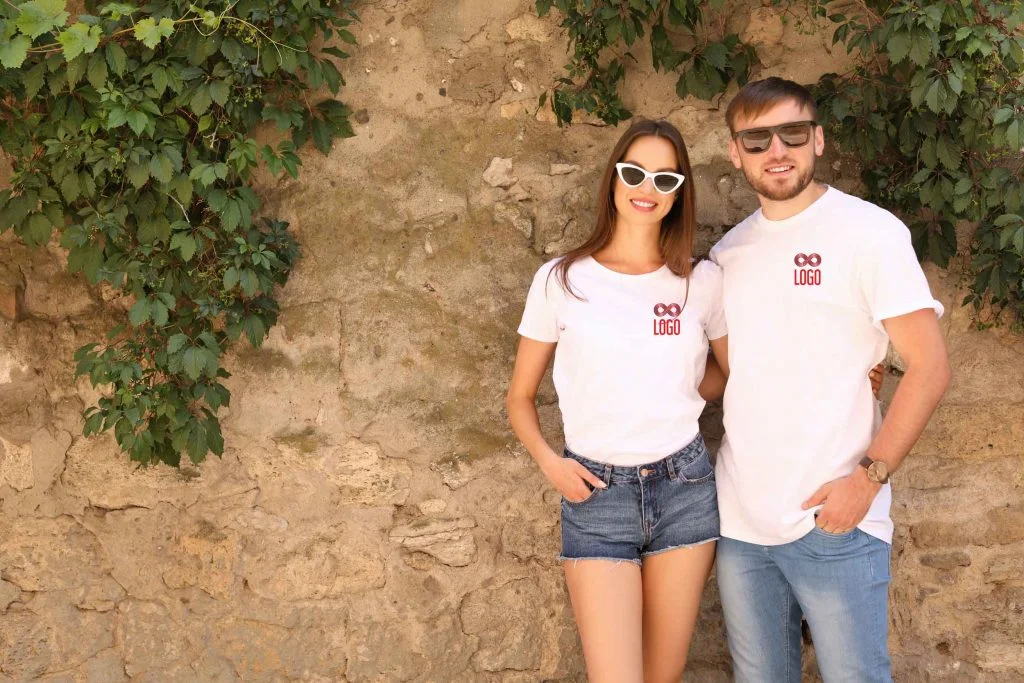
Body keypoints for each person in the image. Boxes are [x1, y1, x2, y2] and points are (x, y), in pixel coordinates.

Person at [710, 77, 951, 682]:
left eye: (792, 133)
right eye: (757, 139)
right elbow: (735, 373)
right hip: (740, 525)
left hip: (837, 520)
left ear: (817, 139)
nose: (778, 151)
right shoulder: (728, 255)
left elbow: (929, 367)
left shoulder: (869, 233)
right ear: (736, 152)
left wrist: (867, 481)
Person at [506, 119, 728, 683]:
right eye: (633, 172)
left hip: (684, 489)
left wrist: (672, 391)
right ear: (613, 180)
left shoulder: (700, 282)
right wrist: (550, 464)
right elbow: (520, 397)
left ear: (679, 191)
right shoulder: (563, 280)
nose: (646, 187)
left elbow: (727, 372)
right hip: (596, 493)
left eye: (663, 177)